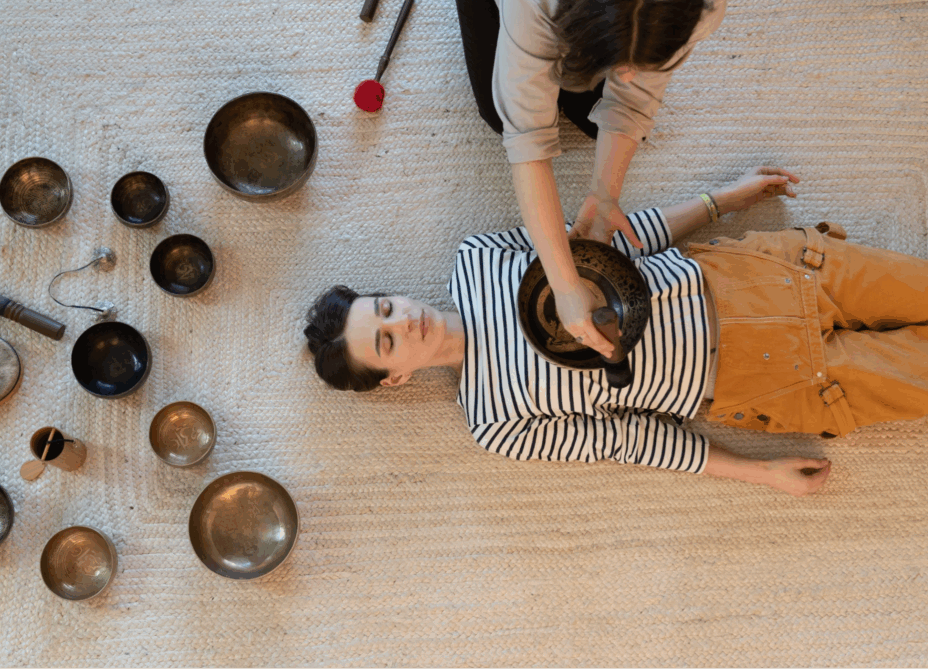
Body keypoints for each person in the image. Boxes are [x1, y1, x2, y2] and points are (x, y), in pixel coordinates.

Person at [304, 167, 928, 497]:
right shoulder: (494, 422)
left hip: (762, 275)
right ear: (398, 377)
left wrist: (719, 203)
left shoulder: (478, 256)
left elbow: (607, 244)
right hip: (770, 381)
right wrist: (761, 475)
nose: (402, 320)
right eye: (386, 341)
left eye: (384, 307)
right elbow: (631, 441)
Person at [452, 0, 728, 359]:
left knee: (592, 114)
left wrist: (605, 196)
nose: (627, 77)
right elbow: (528, 142)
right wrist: (565, 289)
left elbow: (634, 100)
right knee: (496, 110)